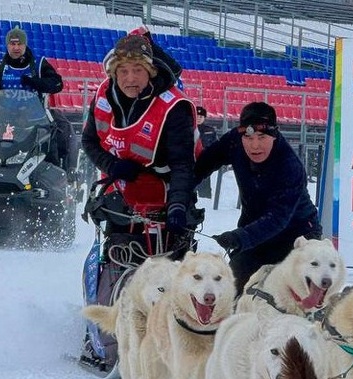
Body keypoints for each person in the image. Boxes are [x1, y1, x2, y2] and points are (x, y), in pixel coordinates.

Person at [81, 32, 199, 247]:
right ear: (113, 73)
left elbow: (183, 165)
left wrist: (177, 206)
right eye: (123, 71)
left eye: (138, 70)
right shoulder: (103, 95)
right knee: (116, 262)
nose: (130, 78)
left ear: (150, 72)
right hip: (119, 197)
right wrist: (112, 165)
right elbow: (89, 141)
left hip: (165, 197)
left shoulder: (173, 107)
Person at [194, 102, 321, 294]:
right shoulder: (234, 141)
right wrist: (178, 194)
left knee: (286, 300)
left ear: (274, 134)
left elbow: (277, 218)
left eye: (262, 137)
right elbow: (202, 165)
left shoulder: (289, 166)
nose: (255, 145)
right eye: (249, 137)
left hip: (297, 236)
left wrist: (240, 237)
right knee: (230, 292)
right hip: (255, 234)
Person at [0, 27, 71, 171]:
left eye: (20, 44)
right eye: (12, 44)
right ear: (7, 46)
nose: (16, 48)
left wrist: (35, 82)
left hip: (36, 121)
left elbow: (57, 84)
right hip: (6, 122)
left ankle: (58, 176)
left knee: (60, 134)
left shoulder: (39, 64)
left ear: (25, 45)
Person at [195, 106, 218, 199]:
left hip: (204, 162)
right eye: (197, 116)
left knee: (204, 190)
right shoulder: (187, 129)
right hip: (191, 162)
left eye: (201, 116)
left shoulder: (210, 130)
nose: (199, 118)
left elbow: (215, 145)